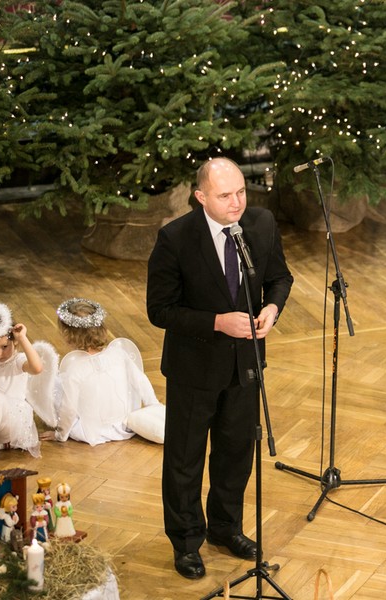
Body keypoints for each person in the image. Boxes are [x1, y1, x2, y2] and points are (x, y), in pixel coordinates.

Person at [147, 157, 293, 579]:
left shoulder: (260, 225)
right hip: (194, 368)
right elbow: (160, 310)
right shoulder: (176, 238)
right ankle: (186, 542)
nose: (237, 203)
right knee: (185, 459)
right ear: (201, 197)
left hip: (246, 365)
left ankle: (225, 529)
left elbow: (280, 278)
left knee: (236, 453)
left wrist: (271, 309)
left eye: (241, 192)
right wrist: (217, 322)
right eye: (225, 195)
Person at [52, 297, 163, 445]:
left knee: (55, 386)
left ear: (68, 335)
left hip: (91, 432)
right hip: (124, 425)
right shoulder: (118, 353)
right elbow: (141, 381)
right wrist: (154, 407)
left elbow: (69, 408)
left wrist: (60, 434)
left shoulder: (75, 368)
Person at [0, 302, 57, 472]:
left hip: (13, 423)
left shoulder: (18, 360)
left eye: (4, 347)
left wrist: (22, 338)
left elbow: (37, 368)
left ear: (15, 342)